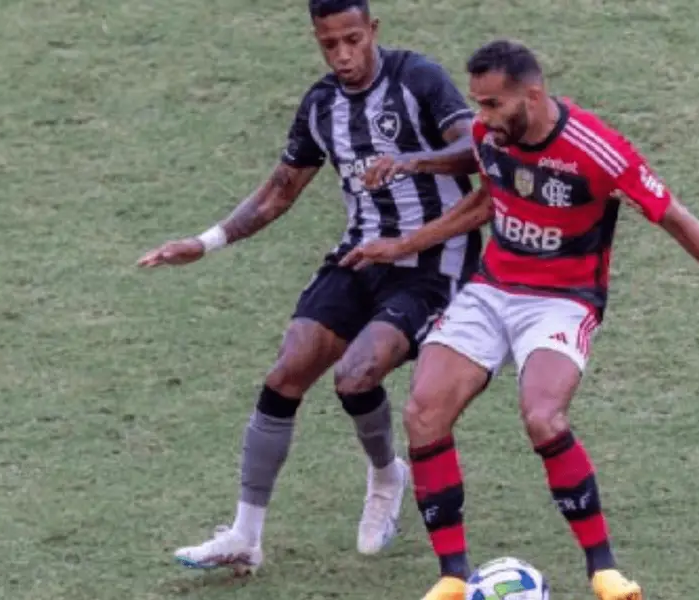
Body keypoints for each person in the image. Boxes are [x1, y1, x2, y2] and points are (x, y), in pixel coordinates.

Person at [340, 39, 699, 600]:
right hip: (491, 289)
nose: (480, 118)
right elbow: (489, 200)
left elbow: (676, 218)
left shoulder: (597, 151)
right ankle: (452, 577)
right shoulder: (492, 136)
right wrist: (405, 245)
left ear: (532, 96)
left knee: (543, 417)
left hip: (562, 300)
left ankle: (604, 571)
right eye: (478, 102)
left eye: (492, 104)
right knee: (423, 412)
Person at [136, 0, 483, 575]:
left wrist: (412, 162)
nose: (343, 55)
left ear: (372, 30)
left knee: (355, 374)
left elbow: (476, 149)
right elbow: (280, 191)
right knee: (286, 373)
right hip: (360, 255)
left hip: (432, 262)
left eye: (353, 40)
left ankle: (386, 477)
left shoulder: (417, 77)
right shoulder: (321, 105)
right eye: (329, 44)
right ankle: (245, 536)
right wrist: (205, 241)